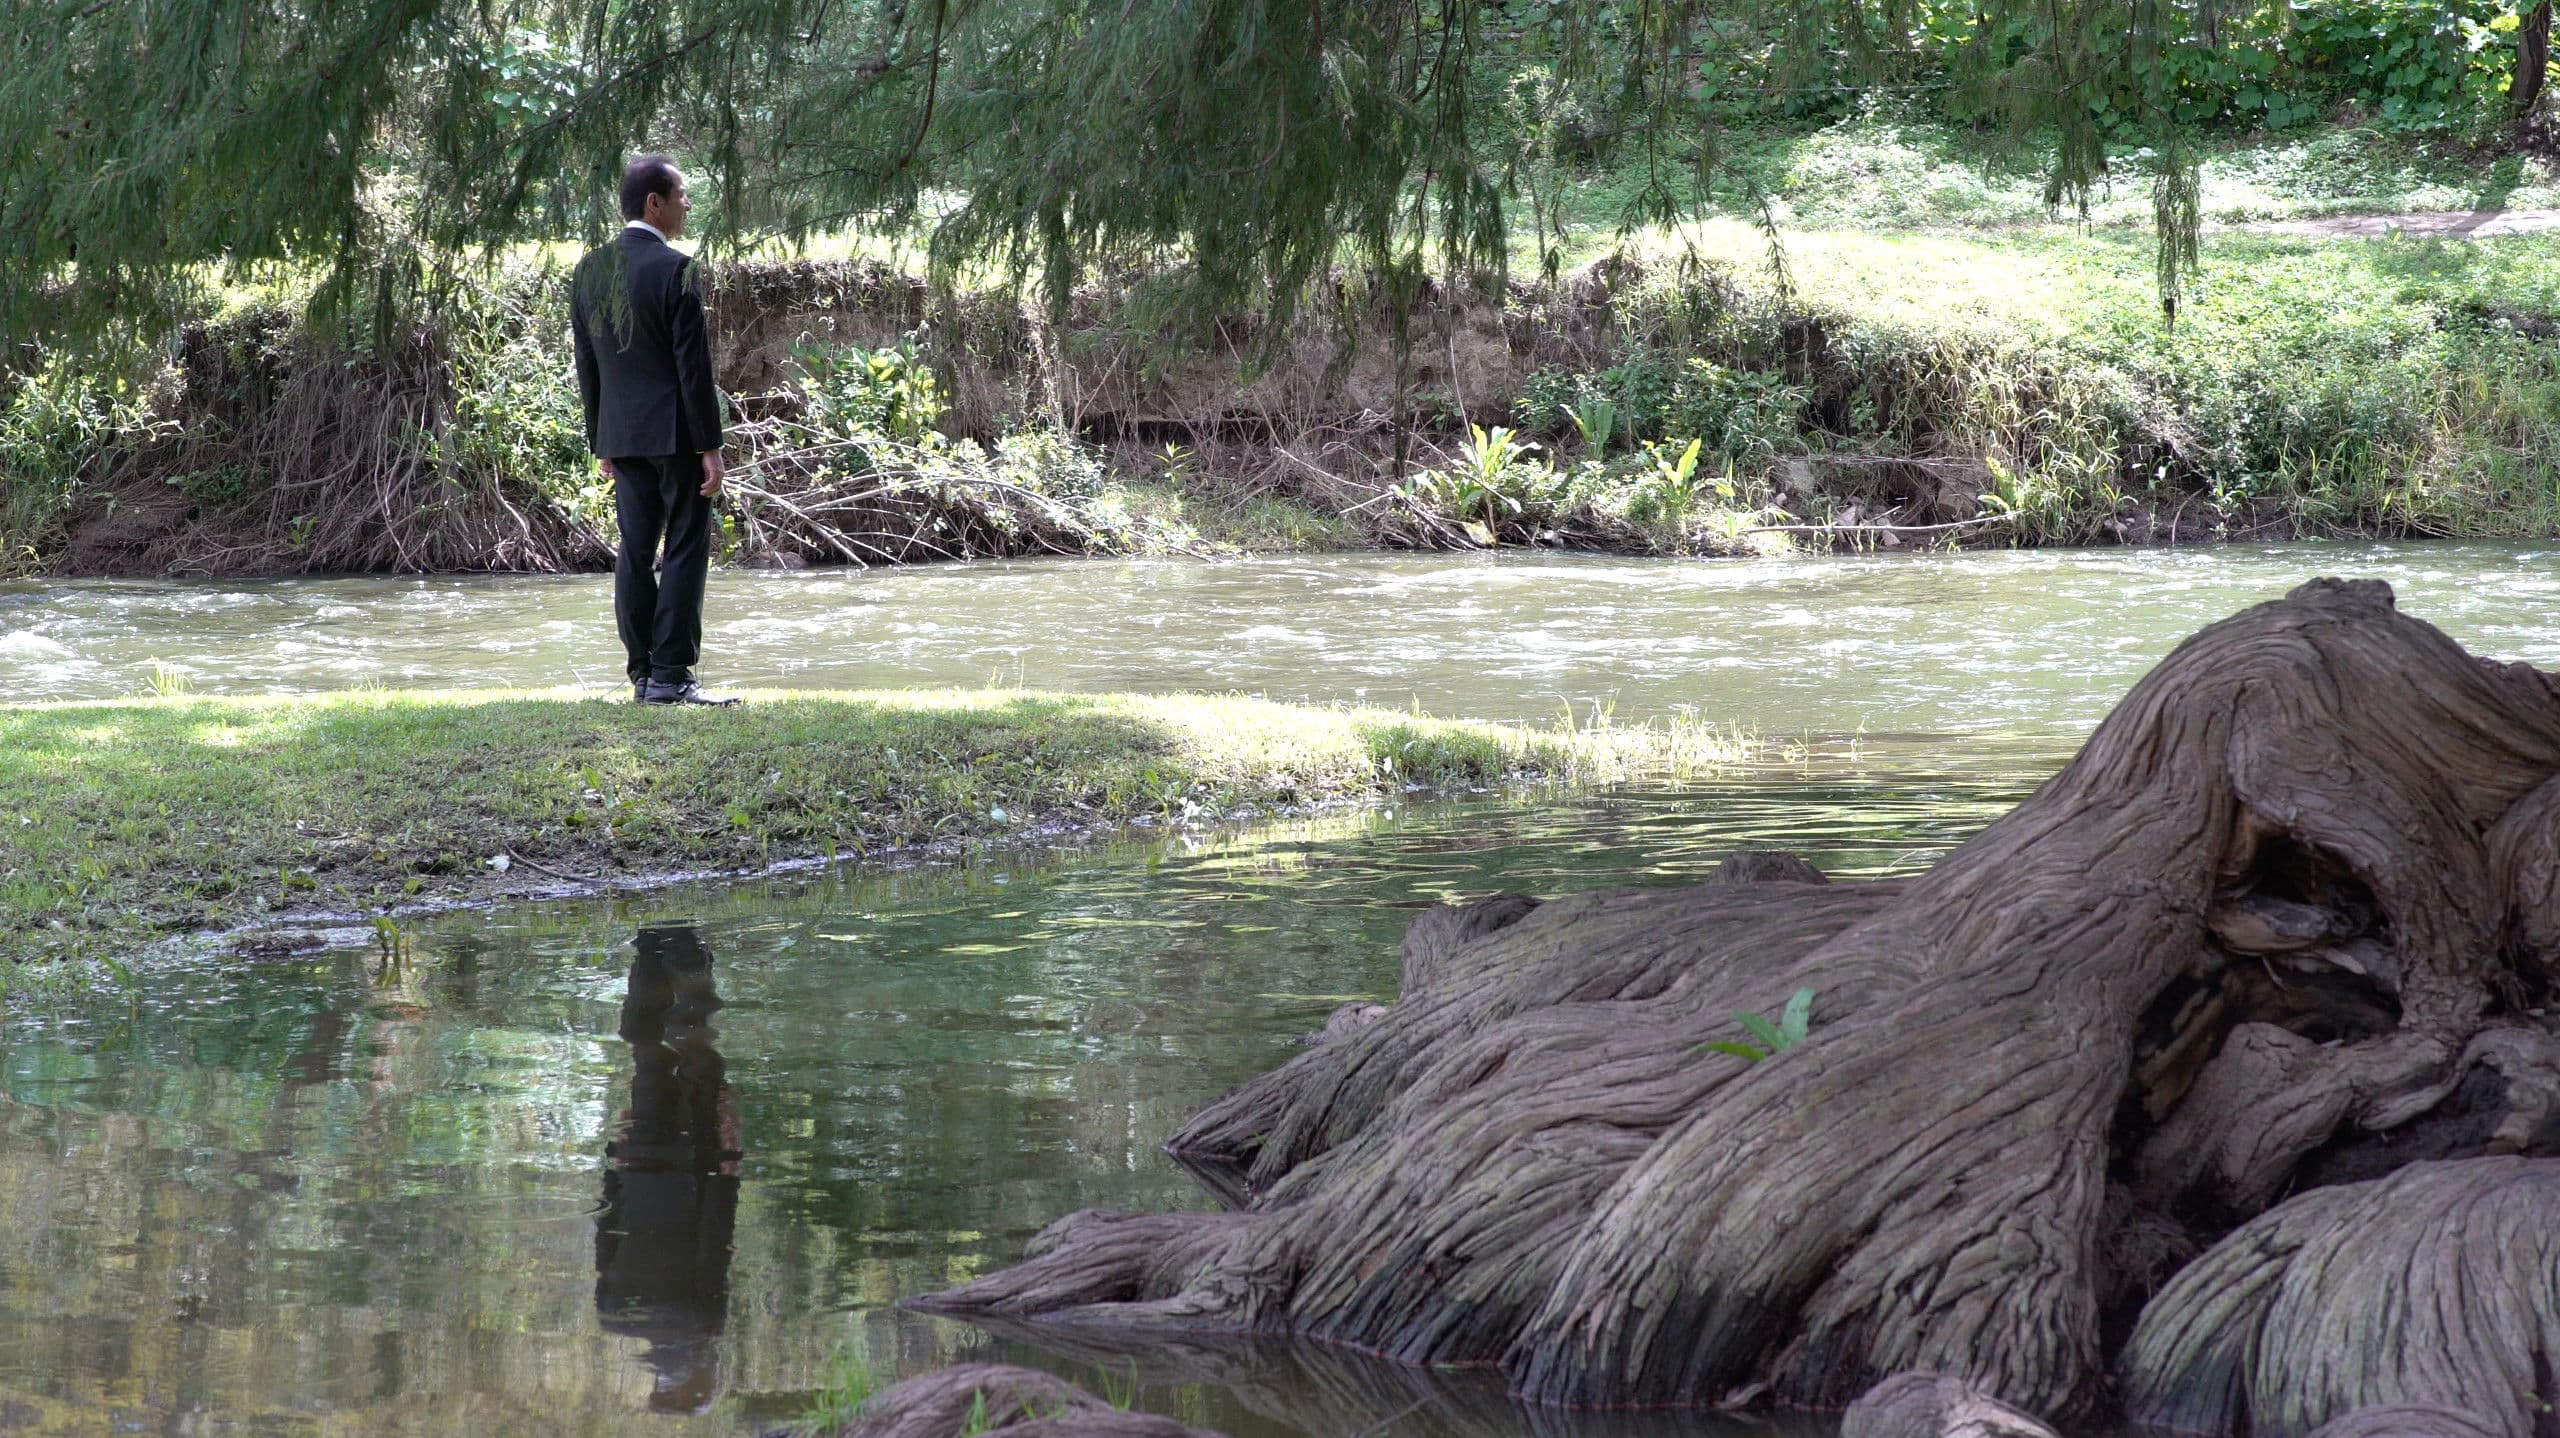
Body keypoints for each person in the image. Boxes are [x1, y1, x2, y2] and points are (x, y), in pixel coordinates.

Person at [571, 156, 738, 706]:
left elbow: (587, 365)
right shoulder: (676, 270)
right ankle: (671, 677)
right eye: (682, 195)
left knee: (634, 550)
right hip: (675, 435)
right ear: (654, 203)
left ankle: (643, 673)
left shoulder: (589, 270)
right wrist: (710, 448)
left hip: (621, 434)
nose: (688, 204)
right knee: (686, 548)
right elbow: (694, 371)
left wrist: (602, 440)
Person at [595, 924, 742, 1415]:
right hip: (642, 1167)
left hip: (693, 1169)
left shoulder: (702, 1325)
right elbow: (605, 1232)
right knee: (649, 1057)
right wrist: (616, 1166)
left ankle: (677, 953)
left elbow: (715, 1240)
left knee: (694, 1054)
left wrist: (728, 1162)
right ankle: (652, 953)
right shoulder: (615, 1317)